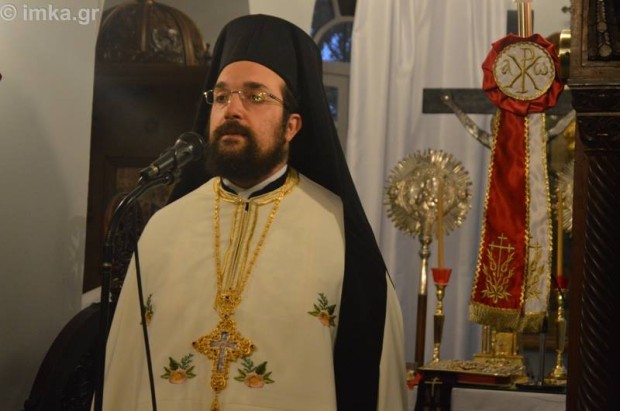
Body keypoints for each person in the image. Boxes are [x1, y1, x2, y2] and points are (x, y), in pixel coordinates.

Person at [100, 14, 407, 411]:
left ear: (292, 126)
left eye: (255, 96)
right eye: (221, 96)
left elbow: (372, 378)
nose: (232, 109)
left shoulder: (338, 235)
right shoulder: (165, 228)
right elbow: (123, 370)